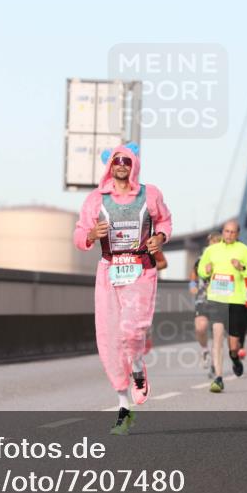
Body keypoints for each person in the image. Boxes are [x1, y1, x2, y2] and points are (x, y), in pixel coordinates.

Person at [74, 142, 171, 435]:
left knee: (133, 330)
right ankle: (123, 406)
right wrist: (91, 234)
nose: (121, 166)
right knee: (109, 337)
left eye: (126, 161)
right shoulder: (96, 199)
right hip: (109, 270)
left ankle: (138, 368)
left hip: (140, 268)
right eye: (116, 161)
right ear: (109, 166)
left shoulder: (149, 194)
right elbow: (79, 234)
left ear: (134, 165)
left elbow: (164, 220)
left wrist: (161, 237)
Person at [196, 220, 247, 393]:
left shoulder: (244, 250)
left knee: (233, 345)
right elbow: (201, 270)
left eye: (233, 232)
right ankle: (218, 377)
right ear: (223, 232)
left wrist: (242, 267)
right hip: (216, 298)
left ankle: (235, 358)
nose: (229, 235)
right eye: (226, 231)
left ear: (238, 234)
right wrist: (206, 270)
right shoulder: (211, 250)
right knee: (217, 335)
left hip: (236, 301)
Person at [191, 233, 221, 375]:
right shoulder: (201, 259)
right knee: (200, 328)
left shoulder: (225, 259)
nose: (214, 244)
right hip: (203, 297)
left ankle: (215, 366)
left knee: (217, 333)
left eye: (217, 241)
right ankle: (205, 351)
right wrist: (192, 284)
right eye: (212, 241)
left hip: (220, 299)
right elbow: (194, 273)